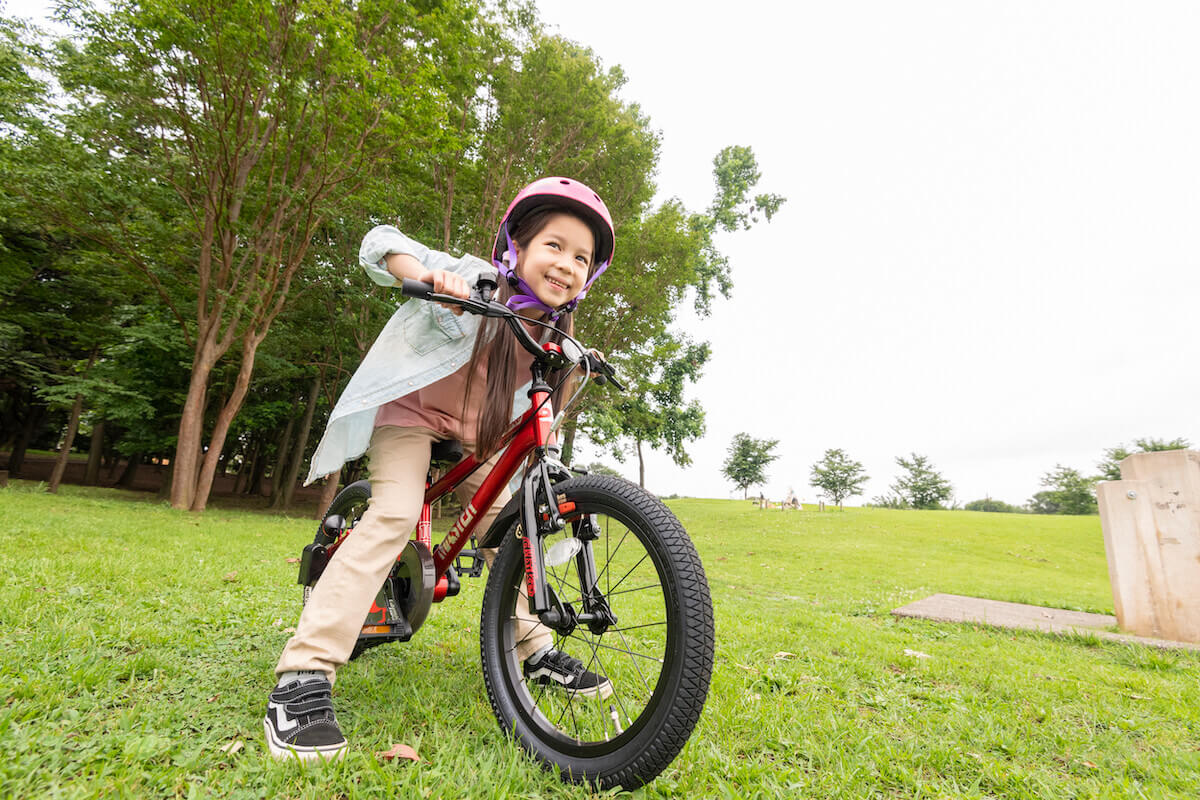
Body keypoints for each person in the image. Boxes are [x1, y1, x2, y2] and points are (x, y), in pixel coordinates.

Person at [264, 178, 617, 762]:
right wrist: (431, 277)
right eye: (555, 246)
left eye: (581, 258)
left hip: (473, 439)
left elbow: (537, 412)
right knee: (397, 512)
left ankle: (534, 648)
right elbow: (380, 245)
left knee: (511, 529)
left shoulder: (550, 337)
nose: (567, 265)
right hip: (410, 418)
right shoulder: (478, 278)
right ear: (517, 247)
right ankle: (304, 673)